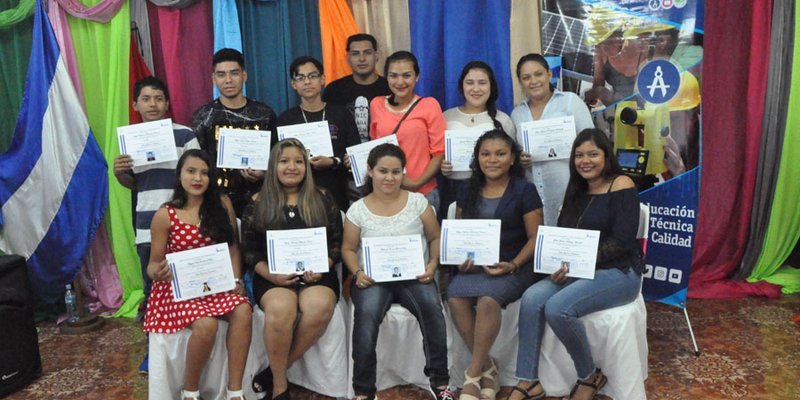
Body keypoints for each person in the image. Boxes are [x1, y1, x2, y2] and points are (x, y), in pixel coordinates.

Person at [508, 129, 643, 400]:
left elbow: (623, 241)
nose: (586, 161)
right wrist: (559, 267)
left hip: (619, 272)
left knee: (559, 308)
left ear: (606, 155)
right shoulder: (577, 188)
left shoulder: (622, 184)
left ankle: (589, 375)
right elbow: (564, 236)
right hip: (577, 269)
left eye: (593, 154)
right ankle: (528, 380)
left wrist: (578, 262)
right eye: (579, 155)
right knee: (532, 297)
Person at [341, 144, 454, 400]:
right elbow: (348, 248)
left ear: (403, 173)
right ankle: (363, 390)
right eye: (382, 171)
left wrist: (433, 265)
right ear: (370, 171)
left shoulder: (418, 202)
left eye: (396, 171)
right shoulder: (357, 209)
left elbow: (435, 237)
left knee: (432, 308)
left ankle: (440, 383)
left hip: (415, 277)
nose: (389, 177)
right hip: (372, 279)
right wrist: (357, 272)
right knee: (367, 314)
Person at [143, 149, 252, 400]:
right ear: (179, 174)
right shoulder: (165, 214)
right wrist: (158, 272)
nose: (198, 178)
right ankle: (190, 391)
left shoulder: (221, 203)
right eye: (191, 171)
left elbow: (233, 247)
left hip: (217, 284)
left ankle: (235, 390)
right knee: (206, 324)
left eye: (204, 173)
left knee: (244, 310)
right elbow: (152, 265)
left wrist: (236, 279)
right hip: (178, 290)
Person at [241, 139, 343, 400]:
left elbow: (336, 243)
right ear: (273, 165)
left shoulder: (322, 198)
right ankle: (280, 386)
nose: (292, 167)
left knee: (319, 306)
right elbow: (250, 251)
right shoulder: (256, 201)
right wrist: (270, 275)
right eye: (284, 161)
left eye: (298, 161)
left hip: (318, 275)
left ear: (306, 166)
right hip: (272, 276)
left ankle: (276, 371)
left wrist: (324, 267)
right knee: (280, 309)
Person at [446, 130, 544, 400]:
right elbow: (461, 233)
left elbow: (536, 237)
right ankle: (489, 367)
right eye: (485, 154)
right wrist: (462, 260)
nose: (492, 160)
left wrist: (512, 264)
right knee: (455, 297)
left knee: (489, 299)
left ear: (512, 158)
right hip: (475, 267)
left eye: (500, 153)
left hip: (515, 265)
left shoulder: (525, 190)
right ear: (477, 158)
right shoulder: (466, 188)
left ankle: (473, 374)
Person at [113, 76, 201, 327]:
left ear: (167, 103)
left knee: (189, 284)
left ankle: (189, 340)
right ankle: (155, 344)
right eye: (146, 99)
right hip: (147, 224)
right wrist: (119, 172)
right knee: (153, 288)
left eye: (159, 98)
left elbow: (199, 177)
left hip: (185, 222)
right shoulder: (129, 141)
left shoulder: (185, 135)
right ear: (135, 105)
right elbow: (133, 184)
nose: (153, 104)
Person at [191, 48, 278, 218]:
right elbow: (195, 163)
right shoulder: (202, 117)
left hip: (261, 201)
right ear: (214, 79)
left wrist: (264, 173)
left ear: (244, 76)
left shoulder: (264, 114)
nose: (228, 80)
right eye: (221, 74)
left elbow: (277, 157)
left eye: (234, 73)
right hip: (216, 202)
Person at [511, 54, 594, 226]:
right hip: (533, 196)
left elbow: (592, 143)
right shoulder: (517, 113)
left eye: (538, 74)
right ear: (520, 82)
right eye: (526, 77)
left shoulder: (571, 102)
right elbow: (515, 152)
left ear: (549, 74)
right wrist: (520, 159)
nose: (533, 81)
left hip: (569, 190)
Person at [277, 56, 361, 212]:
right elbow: (278, 162)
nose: (307, 82)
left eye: (313, 76)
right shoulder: (285, 119)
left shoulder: (341, 114)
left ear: (322, 79)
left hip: (337, 192)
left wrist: (333, 162)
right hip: (297, 196)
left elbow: (354, 156)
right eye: (300, 78)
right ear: (293, 84)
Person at [369, 51, 446, 212]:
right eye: (393, 76)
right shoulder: (376, 104)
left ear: (416, 76)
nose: (400, 82)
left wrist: (417, 183)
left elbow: (439, 152)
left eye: (406, 75)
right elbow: (374, 149)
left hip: (422, 192)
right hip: (385, 192)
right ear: (387, 77)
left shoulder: (429, 105)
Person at [440, 61, 516, 216]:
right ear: (462, 86)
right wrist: (442, 166)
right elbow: (436, 155)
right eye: (469, 83)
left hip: (492, 190)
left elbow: (512, 160)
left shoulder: (503, 120)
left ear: (491, 86)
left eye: (482, 83)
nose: (476, 89)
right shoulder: (445, 117)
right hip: (453, 189)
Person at [322, 33, 392, 144]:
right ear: (348, 58)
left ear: (377, 56)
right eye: (355, 54)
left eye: (367, 53)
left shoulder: (390, 88)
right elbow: (328, 129)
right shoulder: (334, 90)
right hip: (343, 157)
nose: (362, 59)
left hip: (383, 155)